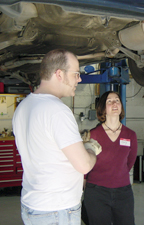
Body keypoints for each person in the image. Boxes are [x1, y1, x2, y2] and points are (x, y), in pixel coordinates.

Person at [12, 49, 100, 225]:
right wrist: (91, 149)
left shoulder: (23, 106)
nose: (79, 79)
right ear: (59, 74)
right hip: (57, 210)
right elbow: (84, 165)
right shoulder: (57, 110)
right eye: (76, 74)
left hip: (33, 206)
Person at [83, 91, 138, 225]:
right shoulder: (93, 134)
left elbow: (130, 161)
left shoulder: (130, 135)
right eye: (109, 101)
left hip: (123, 192)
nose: (114, 103)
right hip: (96, 192)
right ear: (102, 108)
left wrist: (117, 174)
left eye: (117, 100)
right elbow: (85, 163)